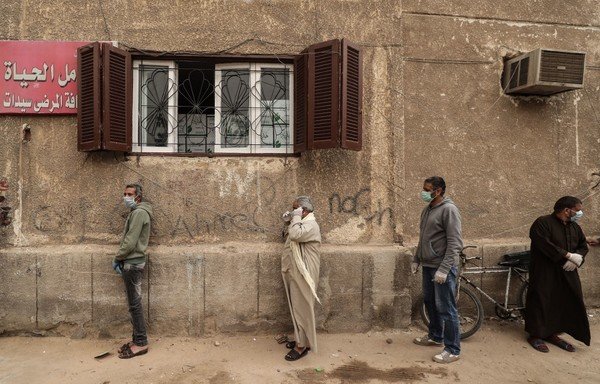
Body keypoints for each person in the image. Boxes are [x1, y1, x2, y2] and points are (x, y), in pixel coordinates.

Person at [525, 196, 590, 353]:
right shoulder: (542, 223)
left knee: (565, 299)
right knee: (542, 299)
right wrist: (567, 255)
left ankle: (553, 333)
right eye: (578, 210)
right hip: (544, 271)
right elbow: (544, 244)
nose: (580, 213)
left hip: (567, 271)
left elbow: (582, 244)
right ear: (567, 210)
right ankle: (536, 335)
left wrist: (578, 258)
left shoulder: (574, 227)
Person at [411, 176, 463, 364]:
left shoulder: (449, 210)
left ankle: (453, 349)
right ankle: (435, 336)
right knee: (430, 302)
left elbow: (455, 243)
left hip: (442, 268)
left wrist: (444, 269)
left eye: (427, 189)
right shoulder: (427, 210)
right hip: (428, 265)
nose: (424, 192)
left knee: (446, 308)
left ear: (439, 191)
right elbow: (423, 238)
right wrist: (417, 259)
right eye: (423, 188)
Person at [112, 183, 154, 359]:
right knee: (133, 304)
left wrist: (118, 257)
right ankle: (137, 339)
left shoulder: (138, 213)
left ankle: (141, 343)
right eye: (124, 193)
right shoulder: (138, 212)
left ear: (138, 197)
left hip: (133, 263)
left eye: (129, 194)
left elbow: (130, 241)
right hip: (134, 262)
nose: (126, 197)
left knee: (135, 305)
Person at [280, 196, 321, 361]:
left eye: (296, 209)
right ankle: (303, 340)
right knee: (297, 306)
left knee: (301, 308)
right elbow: (289, 235)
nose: (294, 211)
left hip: (305, 273)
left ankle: (301, 347)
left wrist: (295, 218)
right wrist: (288, 221)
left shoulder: (311, 225)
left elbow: (295, 235)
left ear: (304, 211)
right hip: (296, 271)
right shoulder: (301, 223)